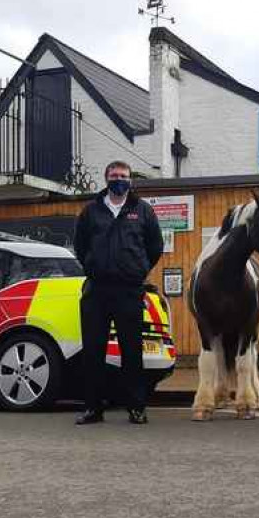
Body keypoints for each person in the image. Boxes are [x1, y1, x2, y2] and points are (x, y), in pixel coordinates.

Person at [73, 160, 163, 426]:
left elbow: (155, 246)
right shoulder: (91, 211)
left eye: (123, 176)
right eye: (114, 175)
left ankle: (136, 407)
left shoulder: (143, 210)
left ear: (130, 181)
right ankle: (93, 408)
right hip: (96, 291)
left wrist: (139, 269)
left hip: (129, 290)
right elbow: (80, 245)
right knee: (93, 352)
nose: (119, 179)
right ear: (106, 178)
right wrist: (92, 265)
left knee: (131, 352)